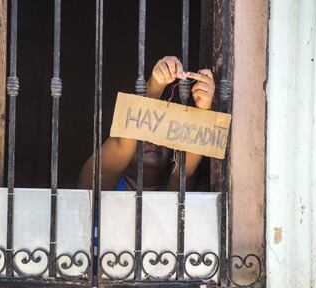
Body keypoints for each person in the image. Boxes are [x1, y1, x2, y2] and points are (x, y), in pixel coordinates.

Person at [78, 56, 215, 191]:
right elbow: (123, 141)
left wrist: (204, 108)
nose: (152, 141)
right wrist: (156, 83)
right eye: (146, 131)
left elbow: (185, 173)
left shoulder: (174, 196)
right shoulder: (97, 183)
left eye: (160, 133)